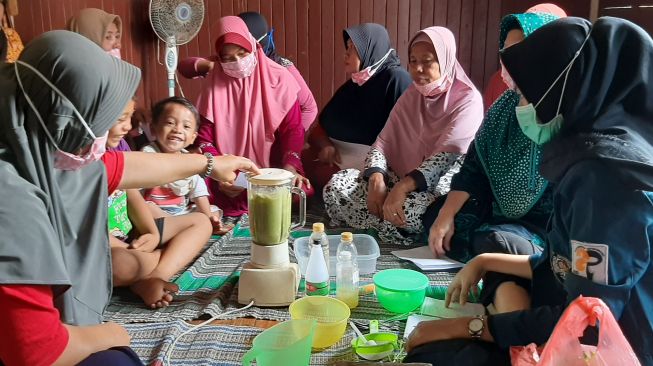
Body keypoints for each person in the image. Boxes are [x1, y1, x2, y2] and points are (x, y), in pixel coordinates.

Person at [0, 31, 259, 365]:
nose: (107, 136)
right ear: (64, 123)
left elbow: (120, 167)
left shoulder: (33, 136)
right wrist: (113, 333)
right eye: (100, 125)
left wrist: (208, 163)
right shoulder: (12, 199)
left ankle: (149, 276)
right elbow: (38, 352)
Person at [405, 17, 653, 365]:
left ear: (560, 91)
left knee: (431, 353)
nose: (519, 104)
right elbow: (564, 266)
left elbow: (588, 324)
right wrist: (484, 261)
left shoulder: (603, 180)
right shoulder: (594, 157)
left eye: (525, 94)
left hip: (616, 350)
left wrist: (472, 326)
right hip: (582, 321)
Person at [422, 11, 560, 313]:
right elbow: (473, 168)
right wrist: (446, 214)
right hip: (496, 214)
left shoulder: (560, 114)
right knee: (435, 218)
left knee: (495, 240)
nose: (511, 63)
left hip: (544, 233)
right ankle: (506, 282)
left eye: (521, 53)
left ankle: (505, 279)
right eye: (506, 54)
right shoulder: (503, 107)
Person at [324, 26, 483, 244]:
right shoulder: (412, 95)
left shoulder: (467, 100)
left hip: (437, 189)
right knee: (337, 186)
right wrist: (376, 178)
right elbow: (382, 142)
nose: (418, 69)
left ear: (445, 60)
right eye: (413, 61)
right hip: (398, 177)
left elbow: (444, 160)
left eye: (427, 61)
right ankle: (388, 225)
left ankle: (385, 223)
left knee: (413, 210)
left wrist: (401, 188)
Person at [192, 16, 312, 217]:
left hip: (269, 169)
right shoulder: (213, 84)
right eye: (228, 58)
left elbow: (293, 129)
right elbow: (204, 138)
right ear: (219, 59)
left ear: (253, 46)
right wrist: (223, 174)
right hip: (228, 172)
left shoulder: (280, 77)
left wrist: (290, 167)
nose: (237, 62)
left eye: (242, 53)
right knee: (198, 184)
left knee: (301, 191)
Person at [105, 99, 213, 309]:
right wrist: (131, 249)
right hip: (110, 247)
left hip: (137, 232)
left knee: (201, 222)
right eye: (121, 119)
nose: (129, 127)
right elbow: (88, 232)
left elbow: (131, 193)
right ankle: (159, 265)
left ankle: (155, 277)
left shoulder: (120, 146)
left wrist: (151, 233)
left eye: (130, 117)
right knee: (119, 266)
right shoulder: (79, 163)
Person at [303, 23, 412, 192]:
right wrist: (325, 145)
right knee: (297, 165)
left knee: (333, 184)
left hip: (373, 169)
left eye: (353, 48)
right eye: (347, 47)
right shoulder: (355, 84)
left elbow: (404, 141)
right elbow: (318, 128)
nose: (345, 54)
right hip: (337, 158)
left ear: (369, 50)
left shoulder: (395, 80)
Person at [178, 11, 318, 131]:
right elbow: (185, 67)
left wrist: (288, 140)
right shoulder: (227, 62)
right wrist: (210, 66)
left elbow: (309, 108)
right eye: (231, 55)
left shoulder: (282, 70)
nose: (238, 61)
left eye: (243, 53)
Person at [140, 96, 227, 234]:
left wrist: (208, 217)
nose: (178, 130)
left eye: (186, 126)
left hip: (182, 212)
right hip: (157, 213)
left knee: (212, 210)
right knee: (145, 207)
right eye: (170, 122)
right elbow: (136, 193)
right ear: (153, 129)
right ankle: (178, 228)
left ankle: (207, 225)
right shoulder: (148, 154)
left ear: (193, 137)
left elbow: (199, 193)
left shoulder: (190, 160)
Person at [482, 3, 567, 111]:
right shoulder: (501, 94)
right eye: (506, 50)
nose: (511, 60)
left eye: (520, 51)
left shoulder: (570, 105)